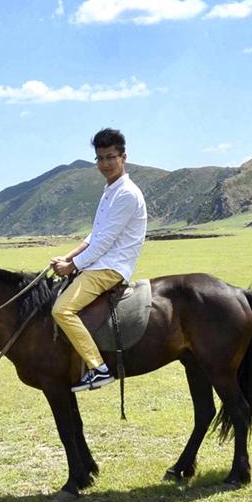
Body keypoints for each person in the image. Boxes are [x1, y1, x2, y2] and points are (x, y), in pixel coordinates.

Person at [51, 127, 147, 392]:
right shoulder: (110, 191)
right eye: (100, 158)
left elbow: (105, 242)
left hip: (111, 267)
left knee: (62, 309)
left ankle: (98, 368)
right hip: (99, 262)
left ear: (123, 157)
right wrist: (67, 256)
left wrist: (72, 266)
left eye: (110, 157)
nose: (105, 164)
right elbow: (95, 234)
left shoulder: (126, 193)